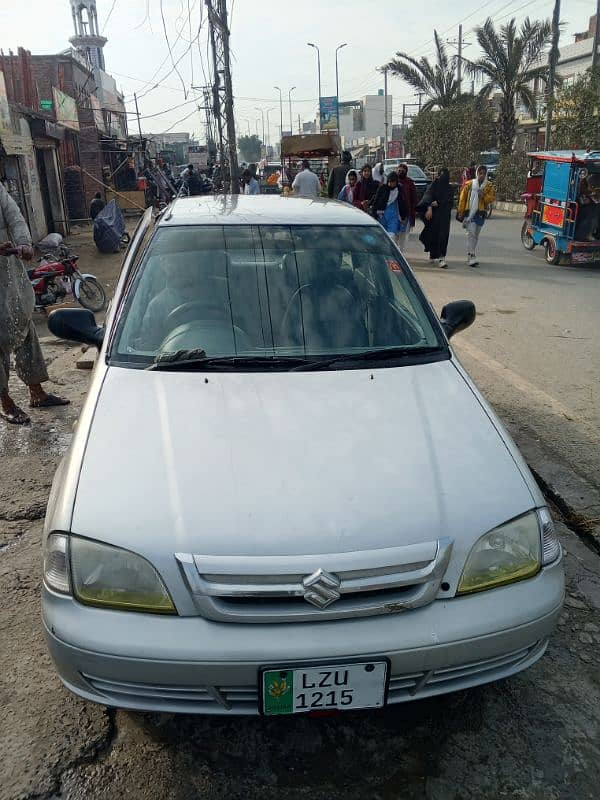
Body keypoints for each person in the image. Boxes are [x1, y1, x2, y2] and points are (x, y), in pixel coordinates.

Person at [0, 182, 69, 425]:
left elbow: (15, 216)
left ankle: (37, 392)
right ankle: (5, 401)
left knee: (24, 324)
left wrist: (24, 243)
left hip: (8, 269)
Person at [457, 165, 496, 267]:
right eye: (480, 173)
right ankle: (472, 255)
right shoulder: (469, 184)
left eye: (484, 173)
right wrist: (461, 212)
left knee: (476, 235)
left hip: (481, 213)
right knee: (471, 234)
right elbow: (462, 199)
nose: (481, 175)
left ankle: (470, 254)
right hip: (469, 213)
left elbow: (491, 199)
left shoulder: (489, 186)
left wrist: (484, 196)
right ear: (477, 173)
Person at [419, 167, 453, 268]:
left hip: (444, 216)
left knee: (443, 236)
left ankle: (442, 257)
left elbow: (450, 201)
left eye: (444, 175)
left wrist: (439, 202)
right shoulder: (434, 185)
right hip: (434, 216)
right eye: (440, 175)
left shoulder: (449, 188)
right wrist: (429, 207)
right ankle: (433, 254)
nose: (442, 177)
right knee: (433, 235)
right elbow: (428, 197)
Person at [370, 171, 408, 245]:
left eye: (393, 182)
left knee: (392, 237)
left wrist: (403, 216)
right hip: (382, 216)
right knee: (382, 237)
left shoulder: (399, 190)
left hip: (394, 216)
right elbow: (376, 201)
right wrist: (374, 214)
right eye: (389, 181)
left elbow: (402, 203)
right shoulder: (382, 189)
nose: (390, 184)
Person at [397, 163, 418, 250]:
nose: (400, 172)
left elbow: (414, 198)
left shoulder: (409, 182)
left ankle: (400, 253)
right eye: (399, 170)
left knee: (403, 234)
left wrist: (413, 211)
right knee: (394, 234)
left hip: (406, 213)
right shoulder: (393, 181)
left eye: (403, 170)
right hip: (395, 212)